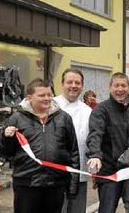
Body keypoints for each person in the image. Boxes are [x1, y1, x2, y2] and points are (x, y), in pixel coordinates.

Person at [0, 78, 79, 213]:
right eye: (42, 95)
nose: (47, 98)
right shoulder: (16, 118)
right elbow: (4, 153)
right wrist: (5, 138)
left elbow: (73, 152)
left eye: (49, 94)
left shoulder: (64, 118)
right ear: (30, 98)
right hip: (26, 183)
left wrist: (73, 186)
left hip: (56, 184)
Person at [87, 72, 129, 213]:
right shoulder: (101, 110)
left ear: (128, 89)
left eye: (123, 85)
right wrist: (95, 155)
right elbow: (95, 134)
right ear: (109, 88)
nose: (120, 89)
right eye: (116, 85)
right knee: (107, 210)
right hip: (110, 172)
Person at [55, 69, 91, 213]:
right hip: (54, 175)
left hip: (79, 172)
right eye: (69, 82)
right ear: (62, 84)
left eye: (77, 82)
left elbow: (91, 141)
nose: (73, 86)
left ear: (82, 86)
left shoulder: (88, 111)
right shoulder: (51, 106)